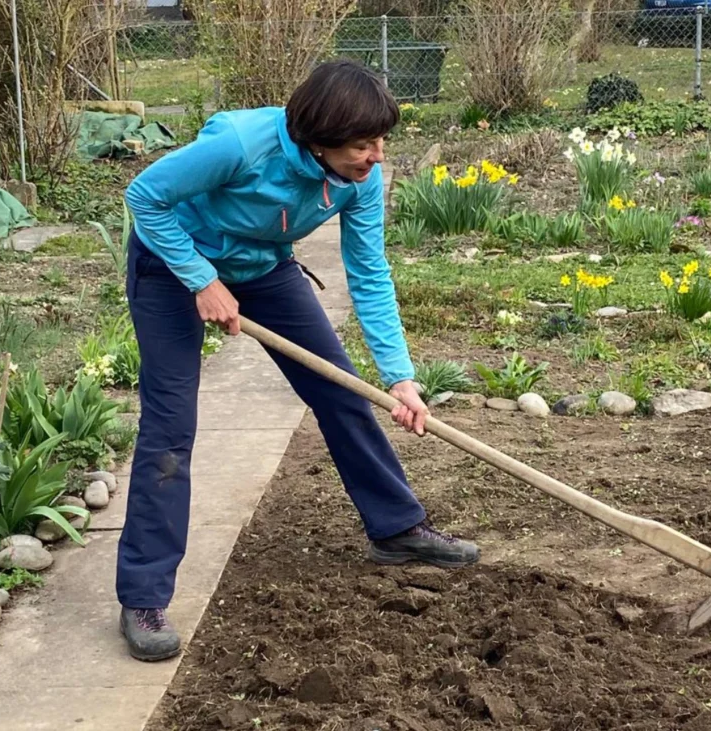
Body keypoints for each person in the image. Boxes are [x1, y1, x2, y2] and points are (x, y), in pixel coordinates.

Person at [117, 60, 480, 662]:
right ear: (319, 137)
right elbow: (145, 197)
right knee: (171, 424)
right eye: (363, 144)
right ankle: (144, 595)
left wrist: (401, 378)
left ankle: (395, 528)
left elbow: (368, 273)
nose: (377, 156)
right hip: (171, 264)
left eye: (381, 140)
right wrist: (201, 280)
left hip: (264, 269)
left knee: (341, 390)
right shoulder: (239, 145)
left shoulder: (359, 180)